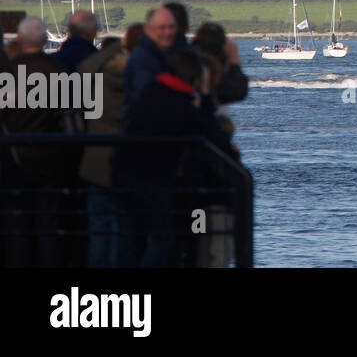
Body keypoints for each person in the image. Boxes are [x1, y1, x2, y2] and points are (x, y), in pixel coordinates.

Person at [114, 46, 236, 268]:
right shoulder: (179, 104)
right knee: (169, 241)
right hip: (166, 186)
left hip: (135, 179)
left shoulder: (152, 93)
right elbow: (208, 132)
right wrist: (206, 96)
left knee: (138, 240)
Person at [0, 17, 74, 267]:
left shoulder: (9, 71)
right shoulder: (58, 71)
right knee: (47, 223)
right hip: (49, 156)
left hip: (14, 156)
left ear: (19, 39)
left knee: (17, 225)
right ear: (45, 40)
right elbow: (70, 114)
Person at [77, 22, 141, 267]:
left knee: (99, 228)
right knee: (129, 227)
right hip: (131, 164)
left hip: (96, 162)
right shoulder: (139, 79)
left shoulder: (91, 77)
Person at [123, 6, 178, 115]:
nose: (167, 32)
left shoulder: (159, 55)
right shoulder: (143, 60)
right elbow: (144, 98)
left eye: (171, 27)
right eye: (162, 28)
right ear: (148, 30)